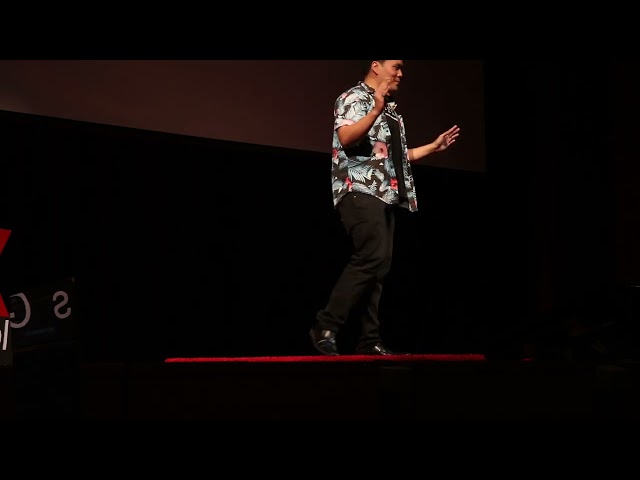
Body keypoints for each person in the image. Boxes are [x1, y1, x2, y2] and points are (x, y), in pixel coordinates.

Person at [309, 60, 460, 356]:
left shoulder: (389, 108)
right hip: (358, 188)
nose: (401, 73)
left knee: (379, 266)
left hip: (384, 194)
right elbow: (346, 137)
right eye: (396, 66)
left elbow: (392, 157)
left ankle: (368, 340)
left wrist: (433, 147)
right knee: (372, 256)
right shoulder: (354, 97)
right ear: (376, 66)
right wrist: (375, 110)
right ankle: (325, 325)